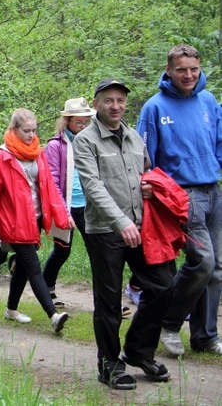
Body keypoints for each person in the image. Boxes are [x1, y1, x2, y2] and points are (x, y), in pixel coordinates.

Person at [74, 78, 174, 390]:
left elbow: (146, 173)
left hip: (141, 226)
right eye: (108, 101)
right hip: (106, 230)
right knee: (108, 299)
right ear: (97, 104)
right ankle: (109, 364)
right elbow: (92, 187)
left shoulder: (133, 138)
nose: (115, 106)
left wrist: (149, 186)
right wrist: (121, 222)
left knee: (164, 285)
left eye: (120, 100)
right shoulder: (85, 141)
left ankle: (139, 351)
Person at [136, 44, 222, 356]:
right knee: (202, 261)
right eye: (181, 69)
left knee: (217, 268)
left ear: (200, 69)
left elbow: (219, 141)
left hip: (213, 190)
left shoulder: (209, 101)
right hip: (180, 196)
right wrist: (150, 190)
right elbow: (142, 157)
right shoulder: (154, 108)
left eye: (193, 69)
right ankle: (169, 322)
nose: (188, 75)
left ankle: (205, 336)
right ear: (169, 70)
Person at [0, 108, 72, 334]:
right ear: (14, 129)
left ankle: (11, 309)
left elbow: (48, 186)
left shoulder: (37, 151)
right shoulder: (2, 156)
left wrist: (62, 215)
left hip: (35, 218)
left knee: (23, 267)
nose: (31, 135)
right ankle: (53, 315)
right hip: (14, 221)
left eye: (34, 130)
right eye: (26, 131)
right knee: (33, 266)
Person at [42, 97, 95, 306]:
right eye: (78, 122)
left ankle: (106, 298)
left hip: (89, 205)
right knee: (63, 250)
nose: (82, 126)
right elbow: (52, 182)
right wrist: (63, 211)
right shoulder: (56, 146)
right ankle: (47, 287)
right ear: (67, 121)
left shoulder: (91, 141)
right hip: (66, 206)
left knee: (97, 251)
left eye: (86, 122)